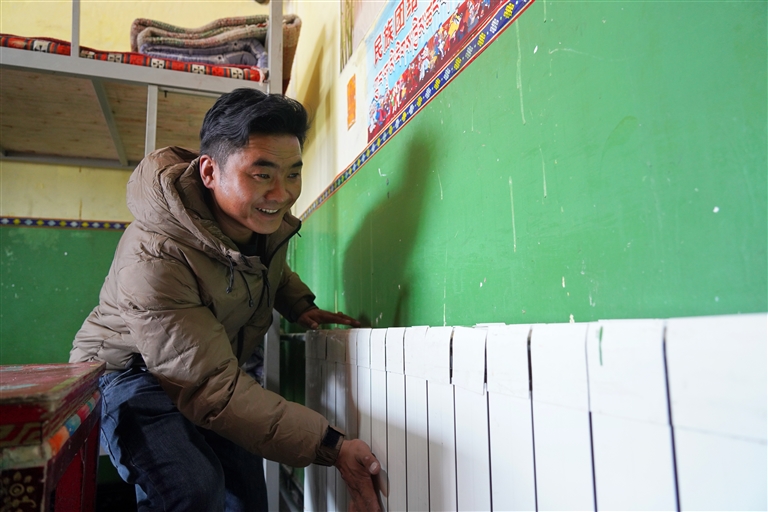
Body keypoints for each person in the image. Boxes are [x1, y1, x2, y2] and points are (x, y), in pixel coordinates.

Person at [70, 88, 381, 511]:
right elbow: (210, 389)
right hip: (127, 371)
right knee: (193, 488)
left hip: (202, 366)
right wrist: (332, 446)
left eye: (293, 173)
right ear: (209, 172)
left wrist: (299, 304)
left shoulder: (256, 222)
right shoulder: (155, 257)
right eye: (262, 174)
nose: (282, 193)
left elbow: (265, 271)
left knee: (248, 496)